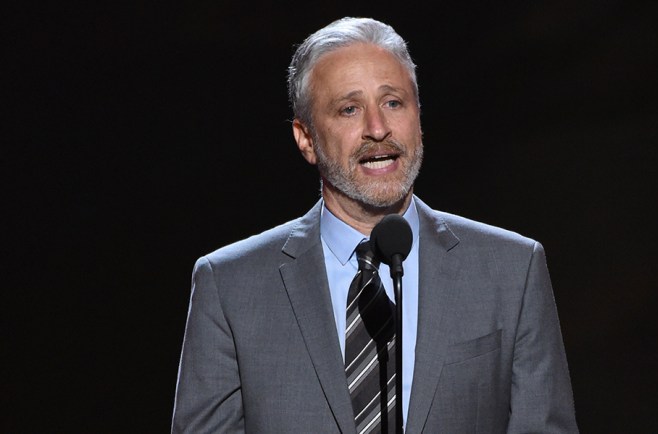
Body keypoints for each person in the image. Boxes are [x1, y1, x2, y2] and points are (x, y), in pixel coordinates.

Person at [171, 17, 578, 433]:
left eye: (393, 103)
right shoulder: (229, 286)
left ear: (420, 119)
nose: (377, 129)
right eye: (349, 109)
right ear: (306, 138)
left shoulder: (512, 270)